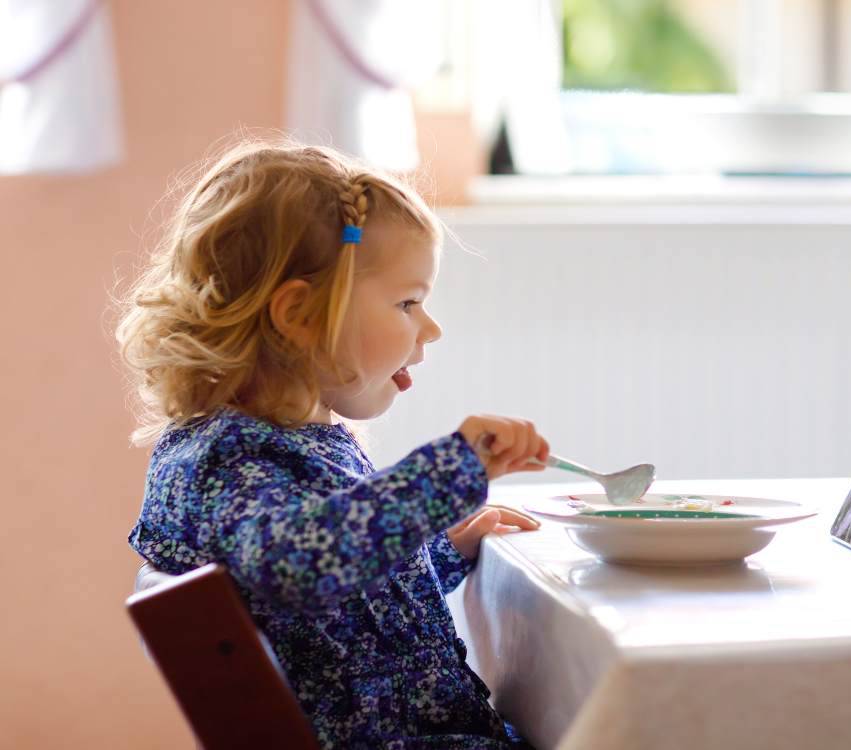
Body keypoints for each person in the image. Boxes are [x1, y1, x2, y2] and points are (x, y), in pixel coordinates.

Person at [116, 140, 548, 749]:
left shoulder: (296, 443)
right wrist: (450, 469)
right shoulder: (224, 462)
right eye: (407, 303)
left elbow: (341, 607)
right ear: (298, 314)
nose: (431, 328)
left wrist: (442, 550)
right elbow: (303, 567)